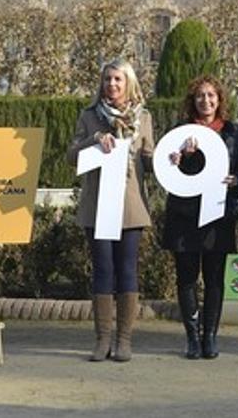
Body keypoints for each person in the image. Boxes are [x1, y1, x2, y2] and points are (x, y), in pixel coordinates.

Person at [67, 59, 155, 362]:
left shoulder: (143, 118)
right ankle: (102, 339)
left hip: (130, 206)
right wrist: (94, 140)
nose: (112, 85)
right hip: (98, 206)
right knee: (103, 270)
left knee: (127, 270)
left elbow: (149, 159)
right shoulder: (90, 117)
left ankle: (124, 340)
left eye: (118, 79)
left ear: (128, 83)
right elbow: (71, 156)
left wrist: (173, 160)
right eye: (107, 79)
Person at [162, 75, 238, 360]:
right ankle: (191, 338)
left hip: (218, 215)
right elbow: (166, 169)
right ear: (193, 101)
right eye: (200, 96)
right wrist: (178, 158)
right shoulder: (180, 133)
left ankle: (210, 336)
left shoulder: (232, 132)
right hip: (184, 216)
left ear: (219, 100)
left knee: (214, 279)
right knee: (186, 279)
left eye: (211, 96)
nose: (205, 101)